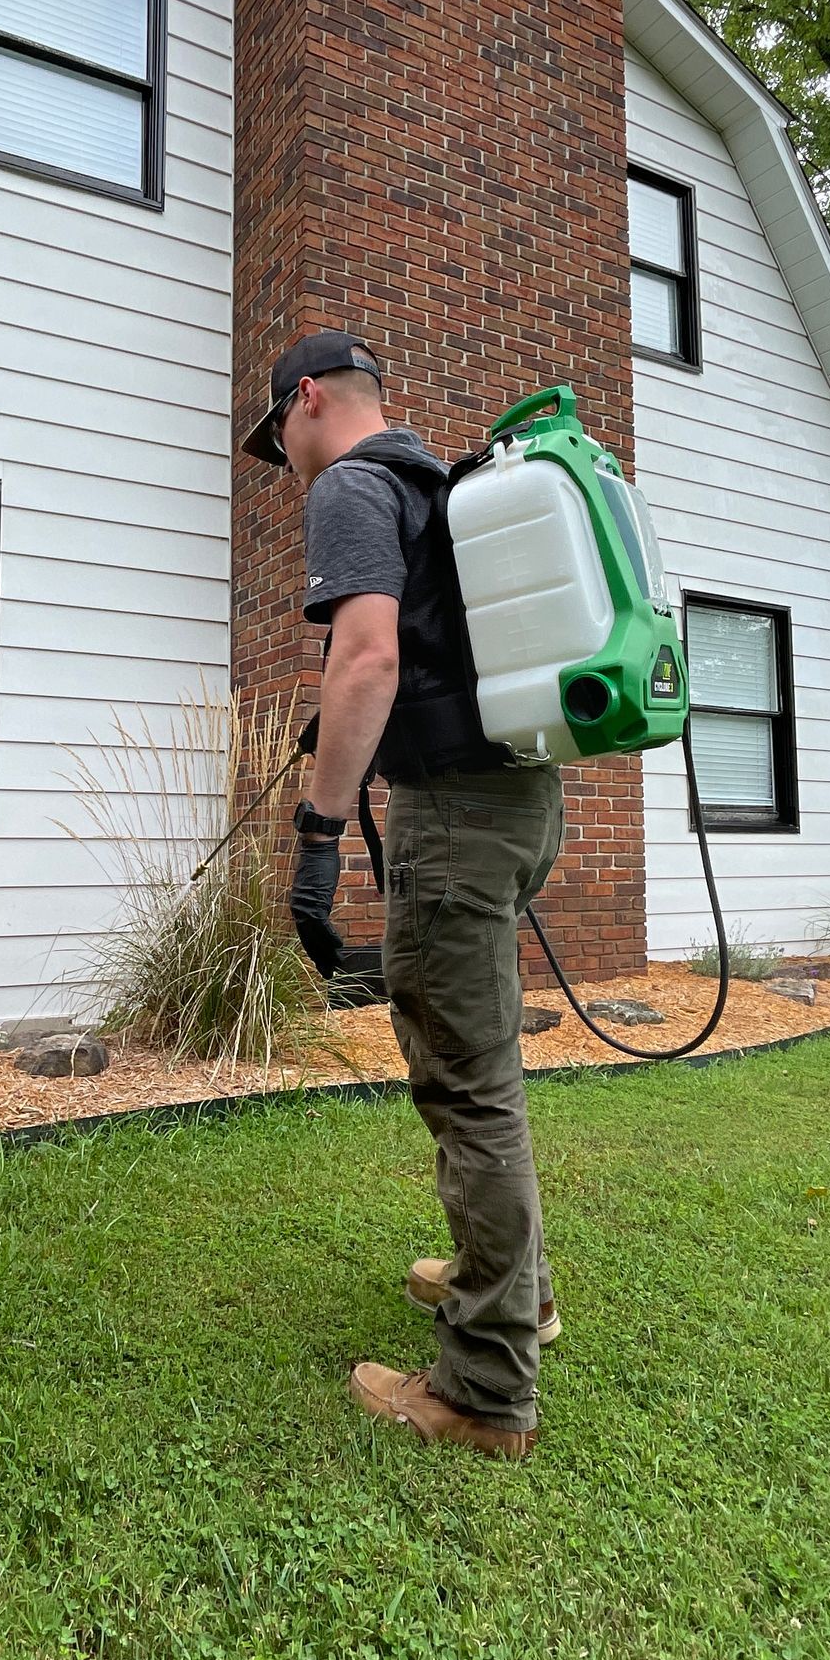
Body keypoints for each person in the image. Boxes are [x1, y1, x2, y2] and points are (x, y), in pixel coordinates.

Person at [241, 329, 565, 1463]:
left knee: (467, 1087)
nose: (281, 457)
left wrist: (318, 834)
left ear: (311, 400)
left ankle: (482, 1388)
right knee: (491, 1068)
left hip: (458, 821)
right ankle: (513, 1288)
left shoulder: (352, 486)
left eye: (276, 432)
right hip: (525, 805)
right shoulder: (445, 485)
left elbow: (367, 659)